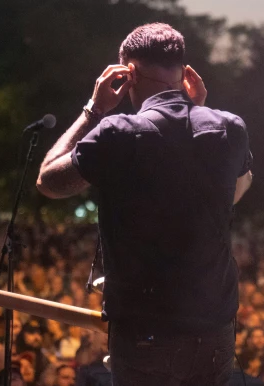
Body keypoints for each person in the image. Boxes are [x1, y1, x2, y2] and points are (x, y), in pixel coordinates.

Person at [37, 22, 253, 385]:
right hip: (214, 330)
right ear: (186, 74)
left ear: (128, 75)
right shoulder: (229, 128)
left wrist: (94, 109)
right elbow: (231, 185)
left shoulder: (117, 133)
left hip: (145, 333)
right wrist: (196, 110)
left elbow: (49, 181)